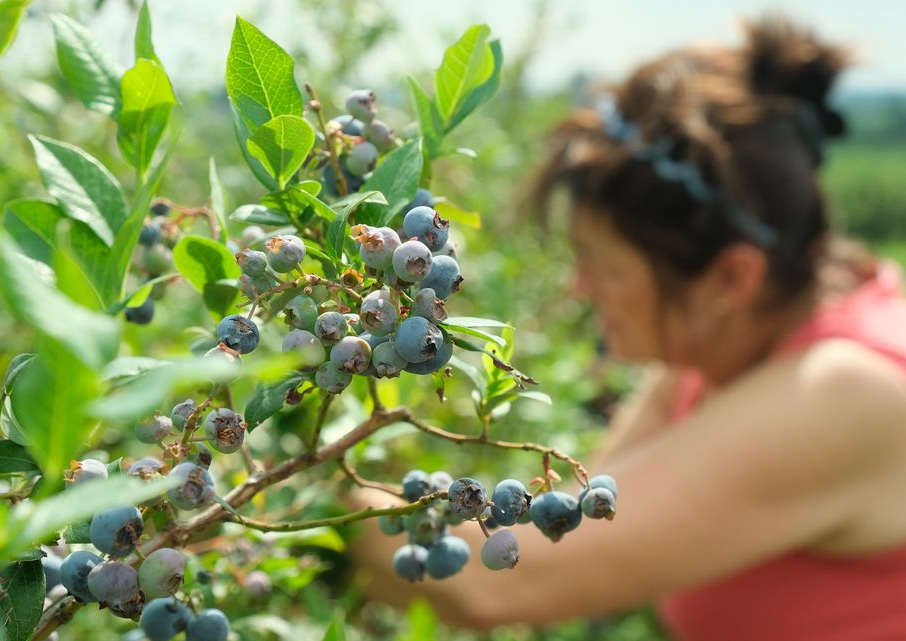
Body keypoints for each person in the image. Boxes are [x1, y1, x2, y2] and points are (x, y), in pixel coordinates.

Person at [347, 15, 906, 640]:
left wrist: (316, 492)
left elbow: (509, 579)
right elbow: (578, 519)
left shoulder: (838, 397)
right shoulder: (718, 350)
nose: (577, 288)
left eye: (603, 266)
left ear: (730, 280)